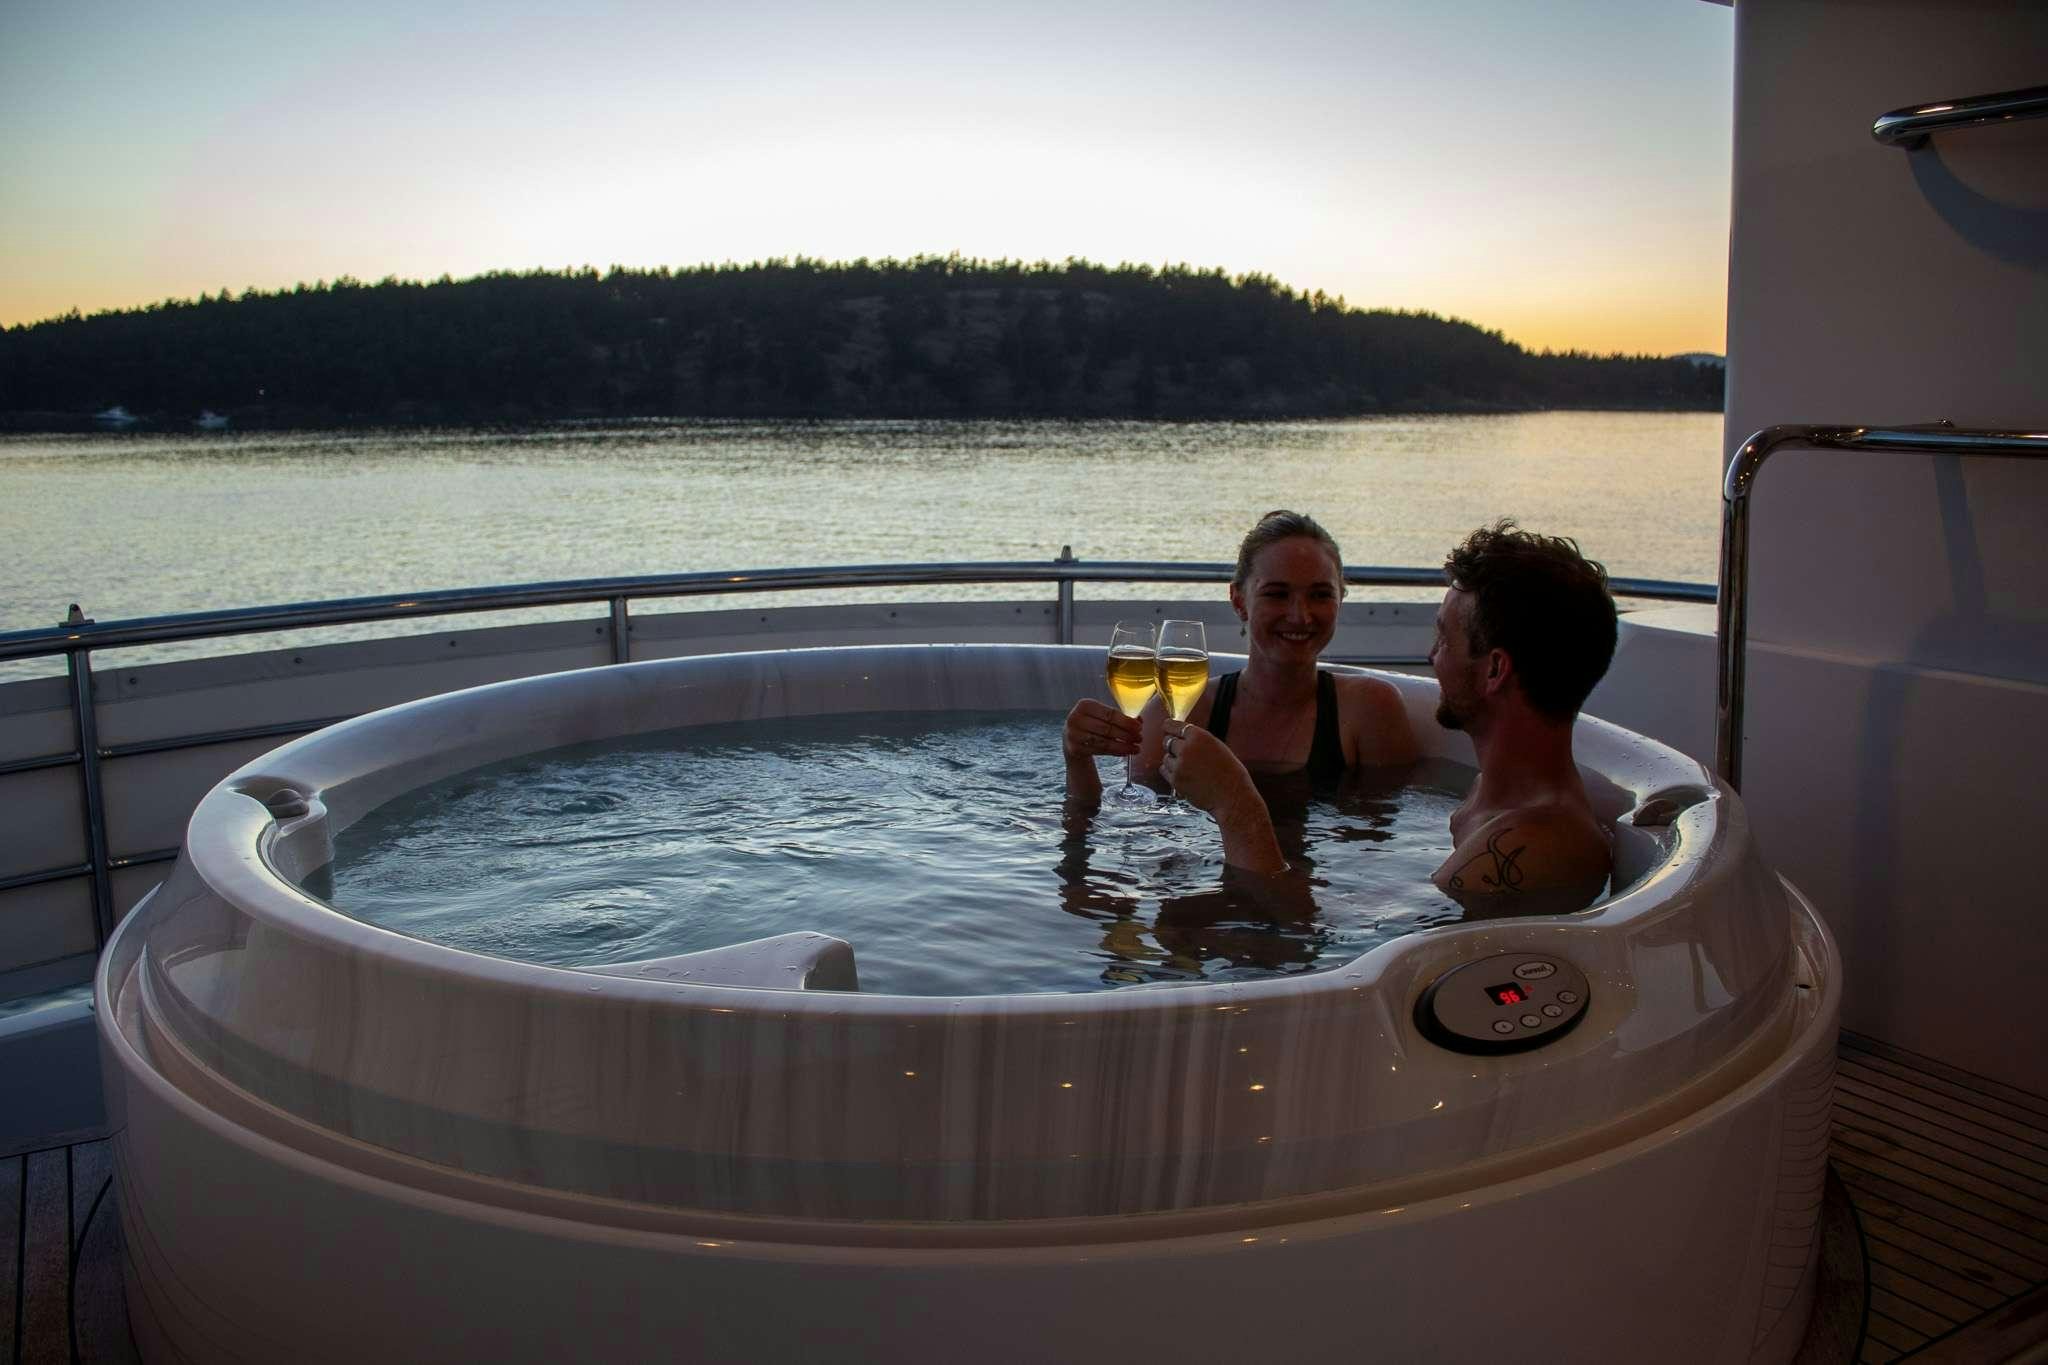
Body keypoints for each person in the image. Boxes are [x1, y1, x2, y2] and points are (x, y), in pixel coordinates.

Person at [1165, 519, 1618, 917]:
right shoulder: (1492, 796)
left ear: (1495, 669)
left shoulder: (1536, 845)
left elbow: (1343, 944)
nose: (1430, 656)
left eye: (1444, 640)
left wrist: (1237, 807)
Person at [1062, 511, 1418, 850]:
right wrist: (1077, 760)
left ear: (1341, 599)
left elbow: (1383, 848)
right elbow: (1111, 828)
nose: (1300, 615)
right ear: (1238, 601)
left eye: (1321, 595)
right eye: (1277, 594)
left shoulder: (1369, 710)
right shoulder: (1181, 714)